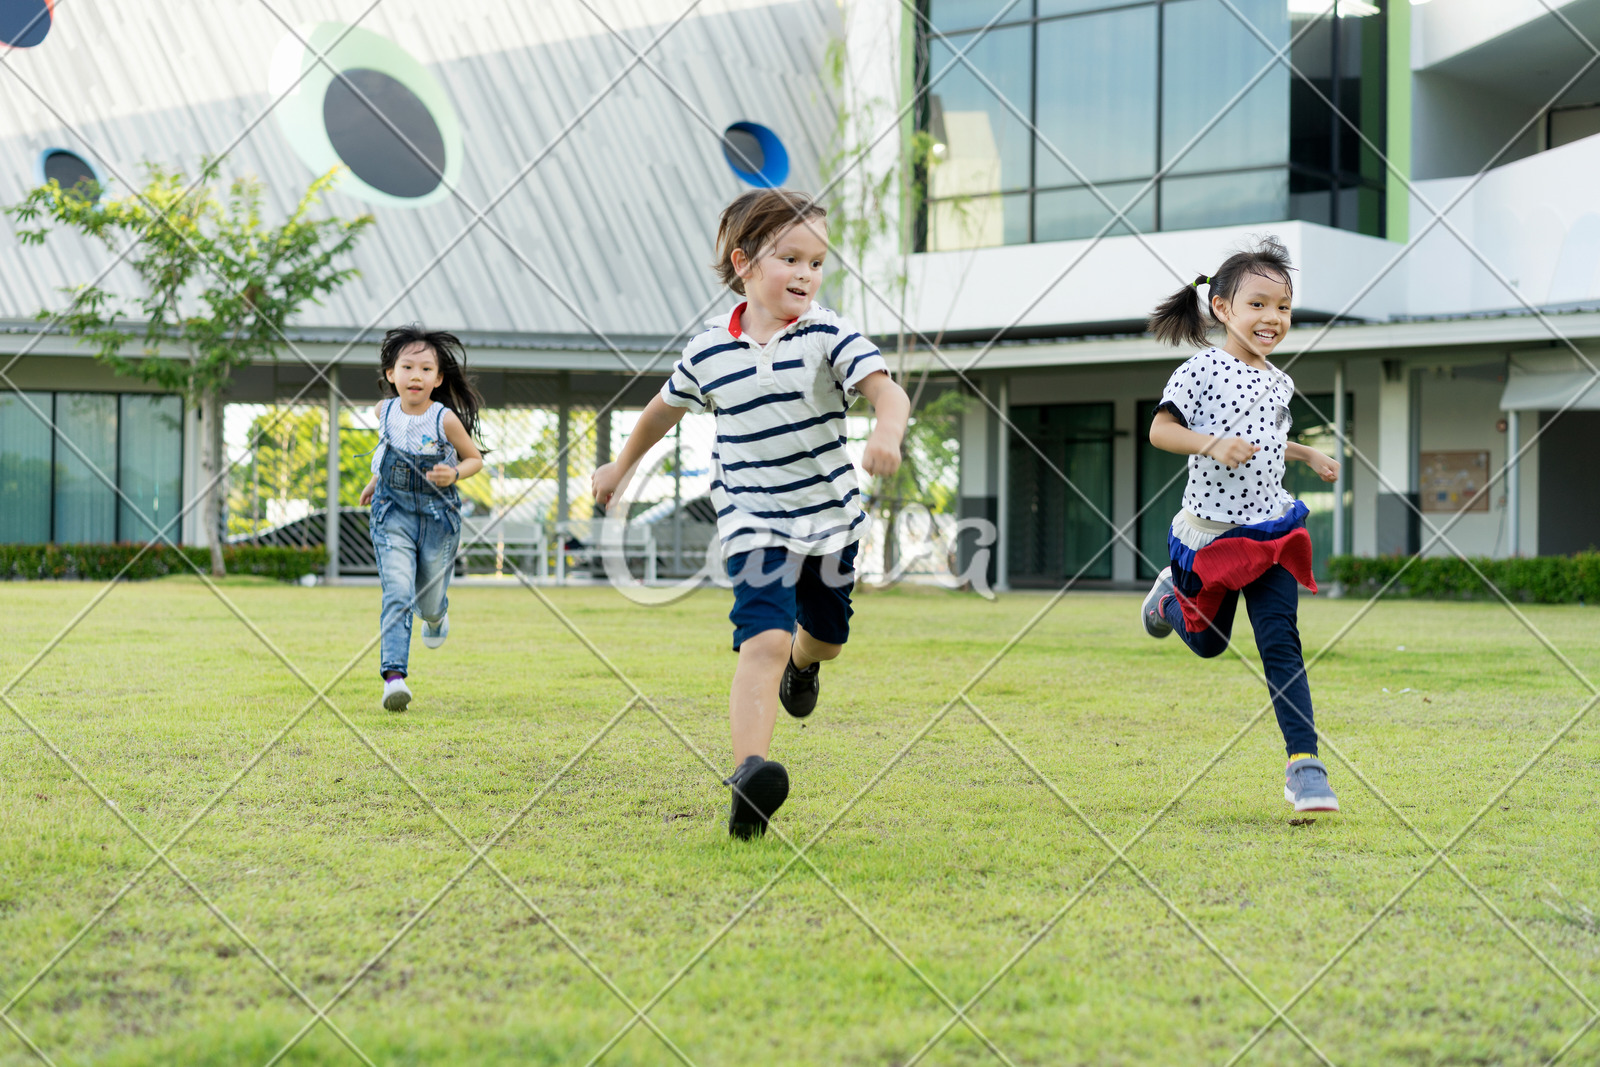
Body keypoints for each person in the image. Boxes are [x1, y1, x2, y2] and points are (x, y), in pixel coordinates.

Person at [592, 189, 909, 839]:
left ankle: (806, 664)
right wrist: (619, 467)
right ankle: (749, 778)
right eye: (790, 258)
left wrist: (887, 432)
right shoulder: (709, 350)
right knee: (760, 639)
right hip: (751, 518)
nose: (805, 274)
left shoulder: (829, 334)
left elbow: (888, 390)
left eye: (817, 263)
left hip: (829, 521)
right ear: (743, 263)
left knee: (825, 638)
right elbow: (661, 410)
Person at [1139, 237, 1343, 813]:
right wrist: (1209, 443)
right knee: (1209, 644)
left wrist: (1307, 456)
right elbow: (1160, 430)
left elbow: (1269, 440)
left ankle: (1305, 767)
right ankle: (1167, 601)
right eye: (1258, 304)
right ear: (1223, 308)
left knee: (1281, 643)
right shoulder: (1200, 369)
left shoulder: (1280, 381)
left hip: (1271, 531)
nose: (1272, 318)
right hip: (1210, 537)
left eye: (1282, 307)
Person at [359, 326, 485, 712]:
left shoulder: (444, 419)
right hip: (391, 511)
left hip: (437, 516)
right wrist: (374, 481)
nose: (416, 375)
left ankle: (436, 616)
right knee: (397, 592)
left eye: (426, 369)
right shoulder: (384, 411)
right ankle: (394, 678)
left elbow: (474, 458)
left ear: (438, 378)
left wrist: (456, 474)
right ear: (390, 374)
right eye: (407, 367)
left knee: (427, 603)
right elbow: (388, 454)